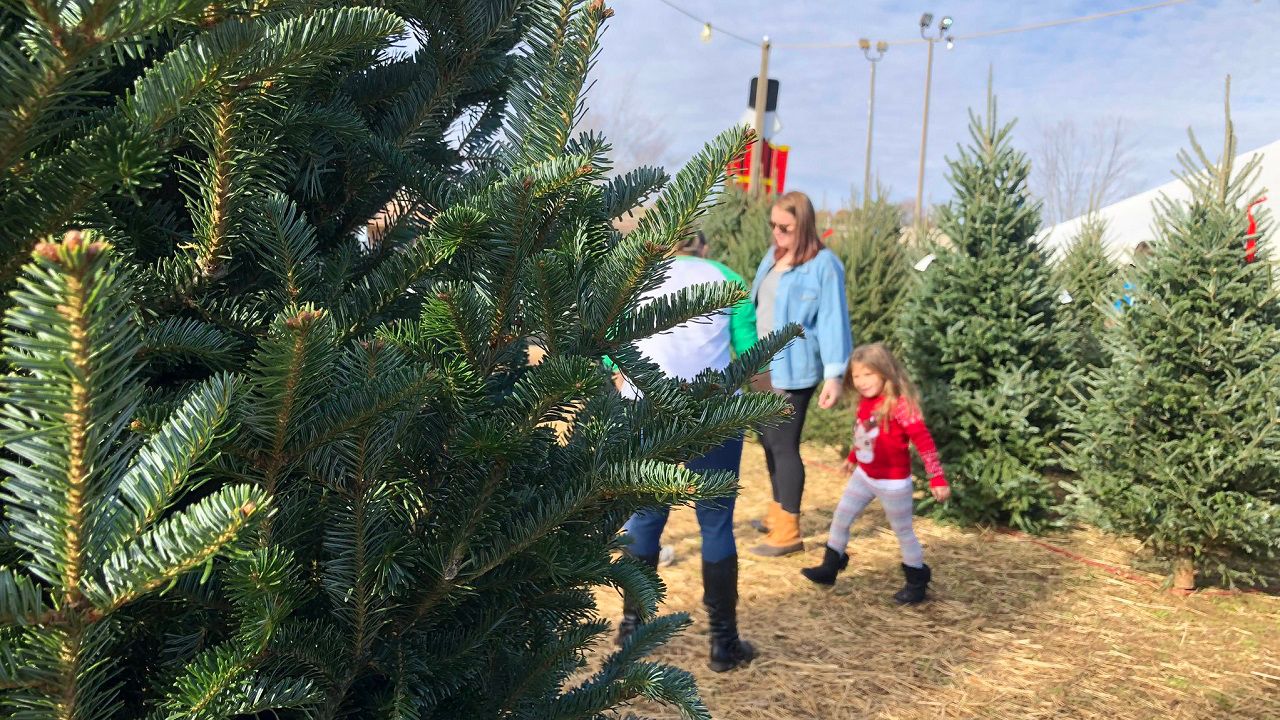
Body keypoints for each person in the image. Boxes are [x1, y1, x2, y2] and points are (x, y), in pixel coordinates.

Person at [612, 230, 757, 673]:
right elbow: (752, 355)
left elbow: (609, 350)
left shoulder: (637, 278)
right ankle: (723, 644)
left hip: (645, 409)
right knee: (715, 521)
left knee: (645, 516)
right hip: (710, 414)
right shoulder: (729, 279)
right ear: (704, 247)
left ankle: (632, 629)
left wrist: (624, 383)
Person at [800, 343, 951, 604]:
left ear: (885, 372)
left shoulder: (900, 406)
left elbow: (924, 444)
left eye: (868, 374)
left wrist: (936, 477)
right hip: (864, 476)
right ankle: (830, 566)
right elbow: (864, 435)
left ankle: (917, 581)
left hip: (893, 483)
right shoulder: (865, 402)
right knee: (841, 518)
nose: (860, 382)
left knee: (903, 531)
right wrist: (852, 457)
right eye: (856, 376)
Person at [749, 191, 853, 557]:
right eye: (773, 225)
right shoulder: (773, 257)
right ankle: (777, 512)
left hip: (794, 370)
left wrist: (836, 375)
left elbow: (833, 321)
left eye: (785, 227)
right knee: (767, 441)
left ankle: (789, 531)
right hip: (759, 366)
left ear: (804, 226)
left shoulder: (824, 265)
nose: (777, 233)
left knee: (784, 444)